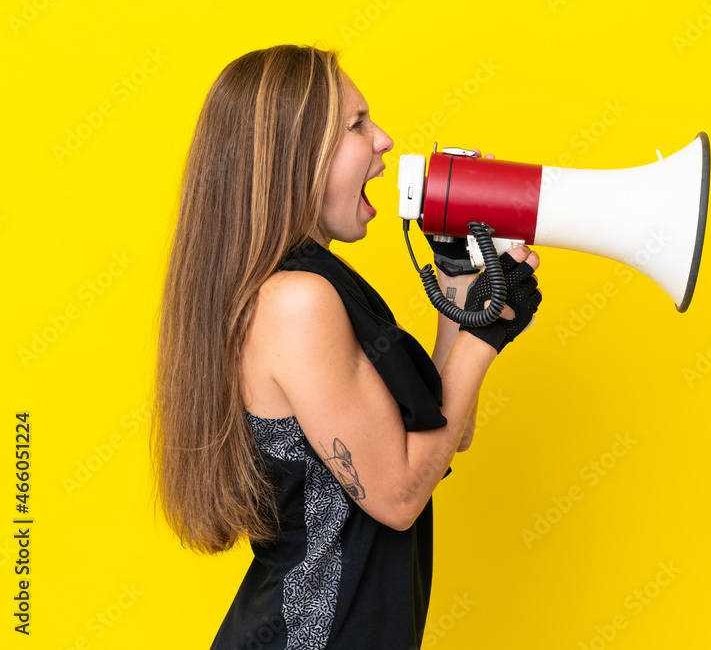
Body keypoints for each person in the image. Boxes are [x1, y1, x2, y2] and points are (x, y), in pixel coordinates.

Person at [151, 44, 542, 649]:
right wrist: (488, 333)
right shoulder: (296, 301)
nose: (383, 140)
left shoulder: (323, 284)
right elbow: (398, 494)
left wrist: (462, 297)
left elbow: (439, 439)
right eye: (357, 124)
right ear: (293, 157)